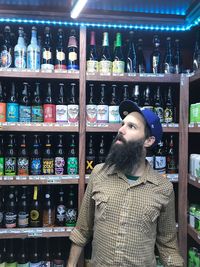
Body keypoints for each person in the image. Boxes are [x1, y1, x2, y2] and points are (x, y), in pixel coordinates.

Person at [67, 100, 184, 267]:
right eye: (122, 124)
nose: (121, 130)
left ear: (148, 141)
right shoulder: (99, 173)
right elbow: (82, 230)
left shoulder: (163, 188)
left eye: (132, 126)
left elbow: (168, 246)